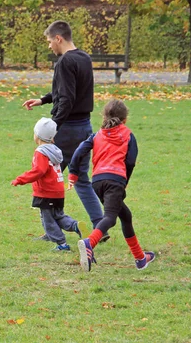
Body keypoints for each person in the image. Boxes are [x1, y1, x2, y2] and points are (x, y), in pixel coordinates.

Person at [22, 20, 105, 239]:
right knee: (81, 179)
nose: (49, 46)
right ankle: (100, 227)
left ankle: (53, 232)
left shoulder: (64, 62)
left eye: (50, 41)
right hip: (85, 127)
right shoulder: (84, 58)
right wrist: (42, 100)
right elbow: (67, 93)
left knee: (49, 179)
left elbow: (67, 99)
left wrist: (53, 127)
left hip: (67, 129)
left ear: (59, 38)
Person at [68, 99, 155, 272]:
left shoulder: (97, 135)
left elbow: (79, 151)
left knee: (126, 216)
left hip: (98, 182)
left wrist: (73, 174)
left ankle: (140, 258)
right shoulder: (128, 135)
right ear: (125, 119)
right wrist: (124, 183)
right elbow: (130, 162)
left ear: (104, 116)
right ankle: (89, 243)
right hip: (115, 181)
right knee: (110, 218)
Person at [11, 117, 90, 251]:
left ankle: (62, 244)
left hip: (46, 192)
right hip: (58, 191)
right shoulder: (55, 150)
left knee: (47, 219)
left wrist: (21, 179)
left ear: (38, 136)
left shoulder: (41, 152)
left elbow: (39, 170)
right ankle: (75, 226)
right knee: (58, 216)